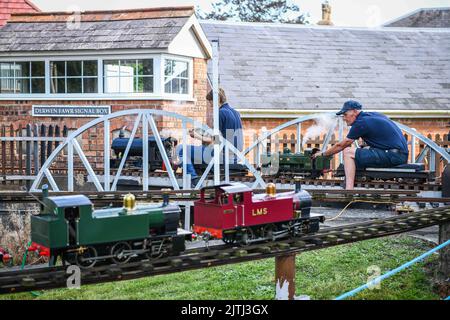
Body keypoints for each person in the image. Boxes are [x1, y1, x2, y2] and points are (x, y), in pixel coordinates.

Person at [312, 100, 408, 190]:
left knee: (348, 152)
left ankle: (349, 190)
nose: (344, 118)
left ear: (354, 111)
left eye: (345, 114)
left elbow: (342, 145)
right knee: (358, 151)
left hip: (393, 155)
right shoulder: (372, 116)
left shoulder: (361, 122)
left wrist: (323, 154)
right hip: (398, 154)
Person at [177, 88, 243, 186]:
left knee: (182, 149)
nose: (210, 105)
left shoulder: (220, 113)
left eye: (210, 101)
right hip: (236, 156)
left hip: (222, 155)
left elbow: (216, 140)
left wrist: (198, 136)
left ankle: (193, 179)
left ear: (217, 100)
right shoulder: (236, 113)